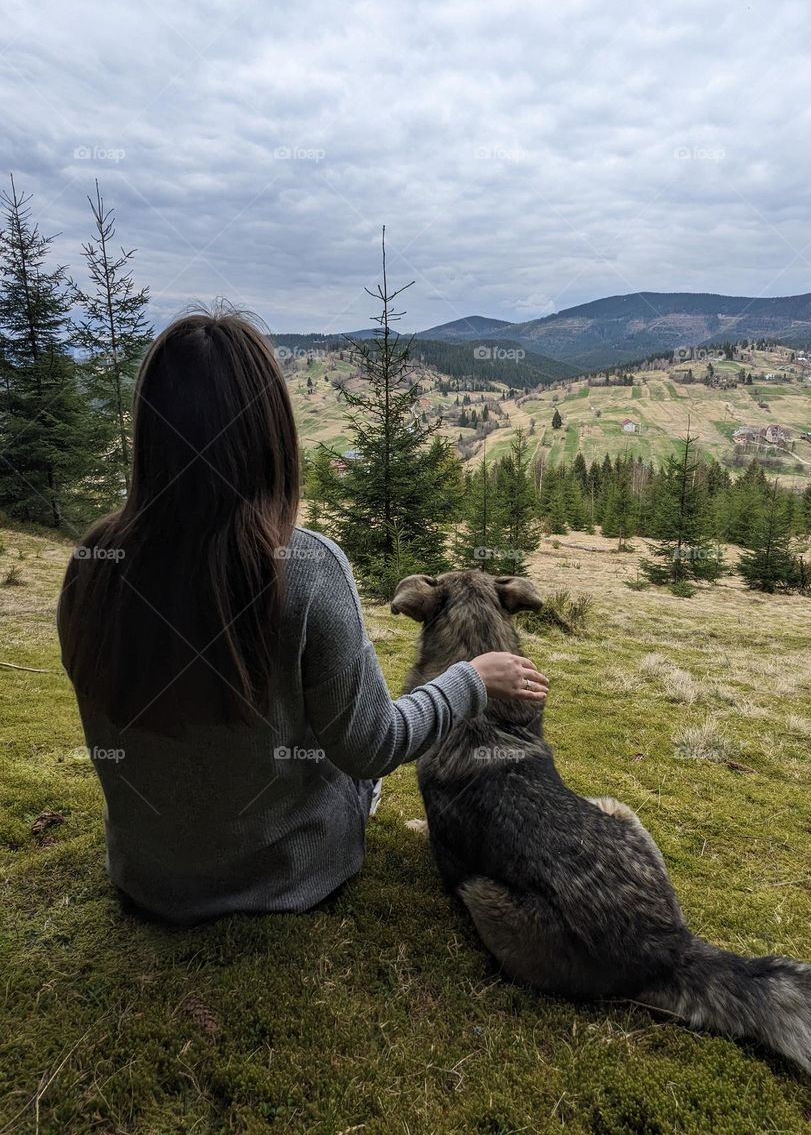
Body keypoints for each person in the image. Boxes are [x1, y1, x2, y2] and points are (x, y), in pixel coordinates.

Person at [57, 308, 548, 925]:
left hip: (146, 876)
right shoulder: (306, 566)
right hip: (285, 879)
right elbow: (374, 744)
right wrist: (474, 679)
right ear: (271, 434)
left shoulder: (94, 563)